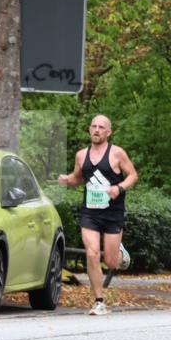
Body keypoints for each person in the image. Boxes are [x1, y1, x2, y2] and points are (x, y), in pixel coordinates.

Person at [58, 114, 138, 316]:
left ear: (108, 132)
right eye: (94, 126)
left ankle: (120, 252)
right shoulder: (81, 155)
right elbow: (78, 179)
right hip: (90, 213)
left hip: (113, 213)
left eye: (101, 127)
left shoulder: (117, 153)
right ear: (89, 129)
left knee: (111, 262)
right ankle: (99, 301)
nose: (97, 130)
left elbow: (133, 175)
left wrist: (119, 188)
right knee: (92, 253)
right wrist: (67, 180)